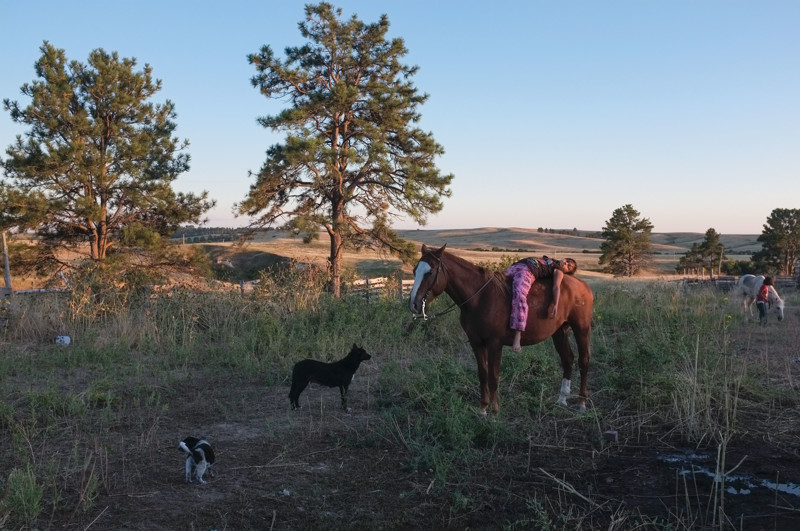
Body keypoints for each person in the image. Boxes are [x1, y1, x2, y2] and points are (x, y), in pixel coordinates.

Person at [506, 256, 578, 352]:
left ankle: (517, 335)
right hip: (518, 265)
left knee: (520, 295)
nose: (566, 263)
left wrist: (555, 303)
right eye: (567, 261)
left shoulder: (558, 271)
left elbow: (556, 287)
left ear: (566, 272)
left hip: (528, 272)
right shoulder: (551, 260)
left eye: (568, 266)